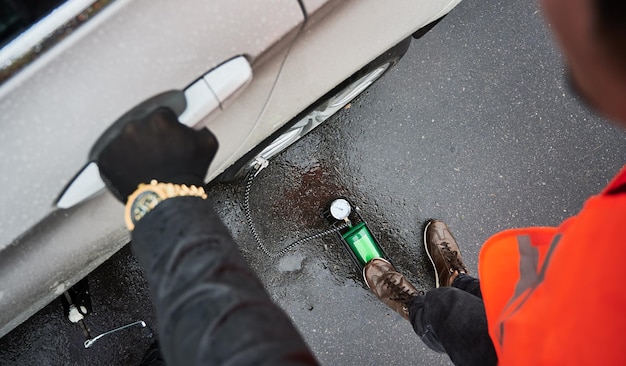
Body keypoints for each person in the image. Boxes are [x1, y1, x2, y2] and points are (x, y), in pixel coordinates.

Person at [94, 0, 625, 364]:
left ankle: (417, 304)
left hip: (515, 352)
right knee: (477, 298)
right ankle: (460, 282)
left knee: (448, 320)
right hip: (538, 300)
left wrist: (165, 201)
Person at [362, 0, 626, 365]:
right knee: (484, 294)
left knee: (445, 312)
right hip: (557, 295)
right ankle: (456, 279)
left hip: (523, 356)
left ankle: (418, 310)